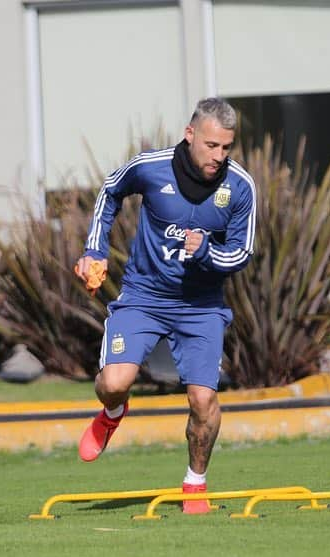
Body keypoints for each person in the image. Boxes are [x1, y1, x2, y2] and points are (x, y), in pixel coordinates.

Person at [73, 98, 256, 513]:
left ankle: (195, 483)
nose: (219, 156)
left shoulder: (240, 187)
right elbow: (109, 192)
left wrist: (207, 249)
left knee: (203, 401)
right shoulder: (150, 167)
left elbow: (242, 253)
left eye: (227, 148)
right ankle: (114, 411)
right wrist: (94, 250)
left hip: (201, 306)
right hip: (144, 297)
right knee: (113, 382)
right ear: (190, 134)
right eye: (211, 145)